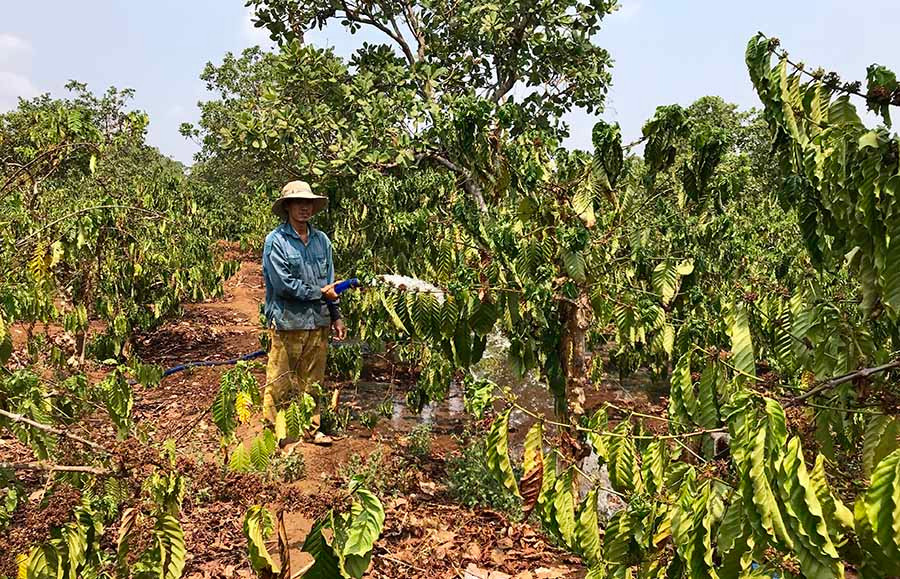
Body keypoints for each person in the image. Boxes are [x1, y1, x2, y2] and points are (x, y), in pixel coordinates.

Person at [262, 180, 347, 446]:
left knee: (313, 381)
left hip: (318, 321)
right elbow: (283, 284)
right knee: (280, 380)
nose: (304, 208)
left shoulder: (322, 241)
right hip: (288, 320)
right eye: (298, 202)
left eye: (308, 203)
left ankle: (312, 429)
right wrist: (321, 293)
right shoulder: (276, 241)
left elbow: (330, 281)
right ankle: (274, 433)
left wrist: (335, 315)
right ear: (287, 207)